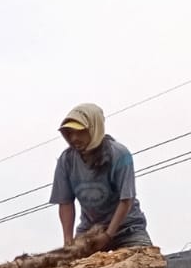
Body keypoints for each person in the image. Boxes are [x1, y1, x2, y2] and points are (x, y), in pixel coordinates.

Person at [50, 103, 152, 250]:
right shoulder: (66, 160)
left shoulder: (119, 155)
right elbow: (65, 203)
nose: (74, 138)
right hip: (90, 231)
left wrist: (108, 235)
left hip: (127, 228)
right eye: (70, 133)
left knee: (144, 259)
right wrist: (68, 240)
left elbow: (126, 200)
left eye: (80, 132)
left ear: (94, 129)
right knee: (71, 263)